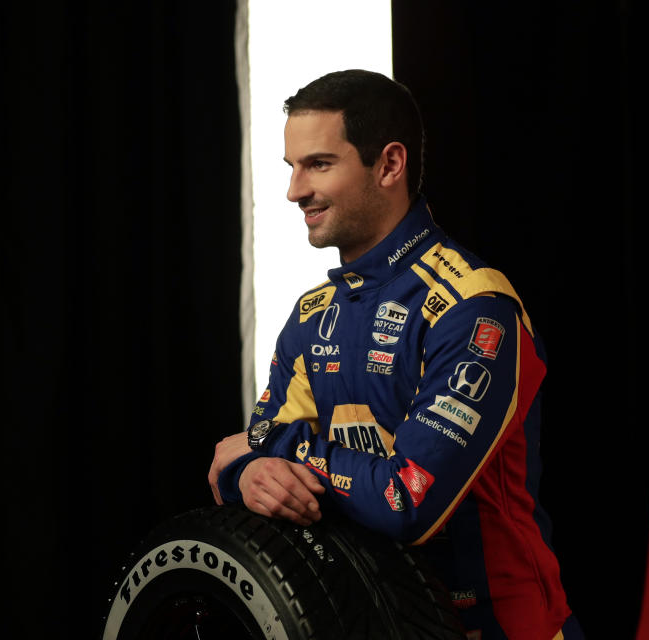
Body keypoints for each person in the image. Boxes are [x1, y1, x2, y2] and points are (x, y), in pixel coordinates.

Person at [208, 69, 582, 640]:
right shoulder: (312, 314)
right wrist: (248, 472)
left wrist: (269, 447)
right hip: (376, 619)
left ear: (389, 165)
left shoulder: (475, 306)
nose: (294, 190)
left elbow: (407, 500)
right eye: (292, 167)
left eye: (319, 164)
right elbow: (256, 455)